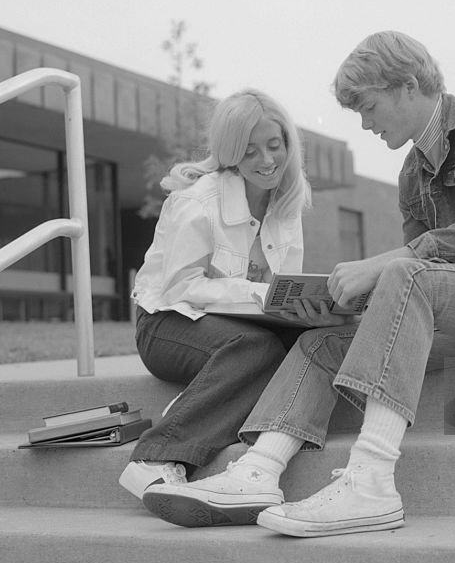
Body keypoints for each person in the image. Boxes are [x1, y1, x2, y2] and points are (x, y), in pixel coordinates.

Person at [140, 31, 455, 536]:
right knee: (323, 341)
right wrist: (347, 305)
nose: (365, 122)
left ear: (406, 86)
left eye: (369, 107)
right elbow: (413, 292)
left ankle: (372, 481)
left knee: (405, 272)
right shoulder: (411, 175)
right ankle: (256, 470)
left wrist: (382, 267)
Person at [118, 88, 319, 502]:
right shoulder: (197, 202)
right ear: (230, 155)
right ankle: (156, 460)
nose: (266, 161)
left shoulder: (287, 206)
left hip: (244, 329)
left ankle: (255, 445)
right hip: (165, 324)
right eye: (249, 152)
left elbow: (282, 292)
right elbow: (181, 288)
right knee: (255, 347)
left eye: (274, 145)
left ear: (287, 143)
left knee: (299, 343)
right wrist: (258, 295)